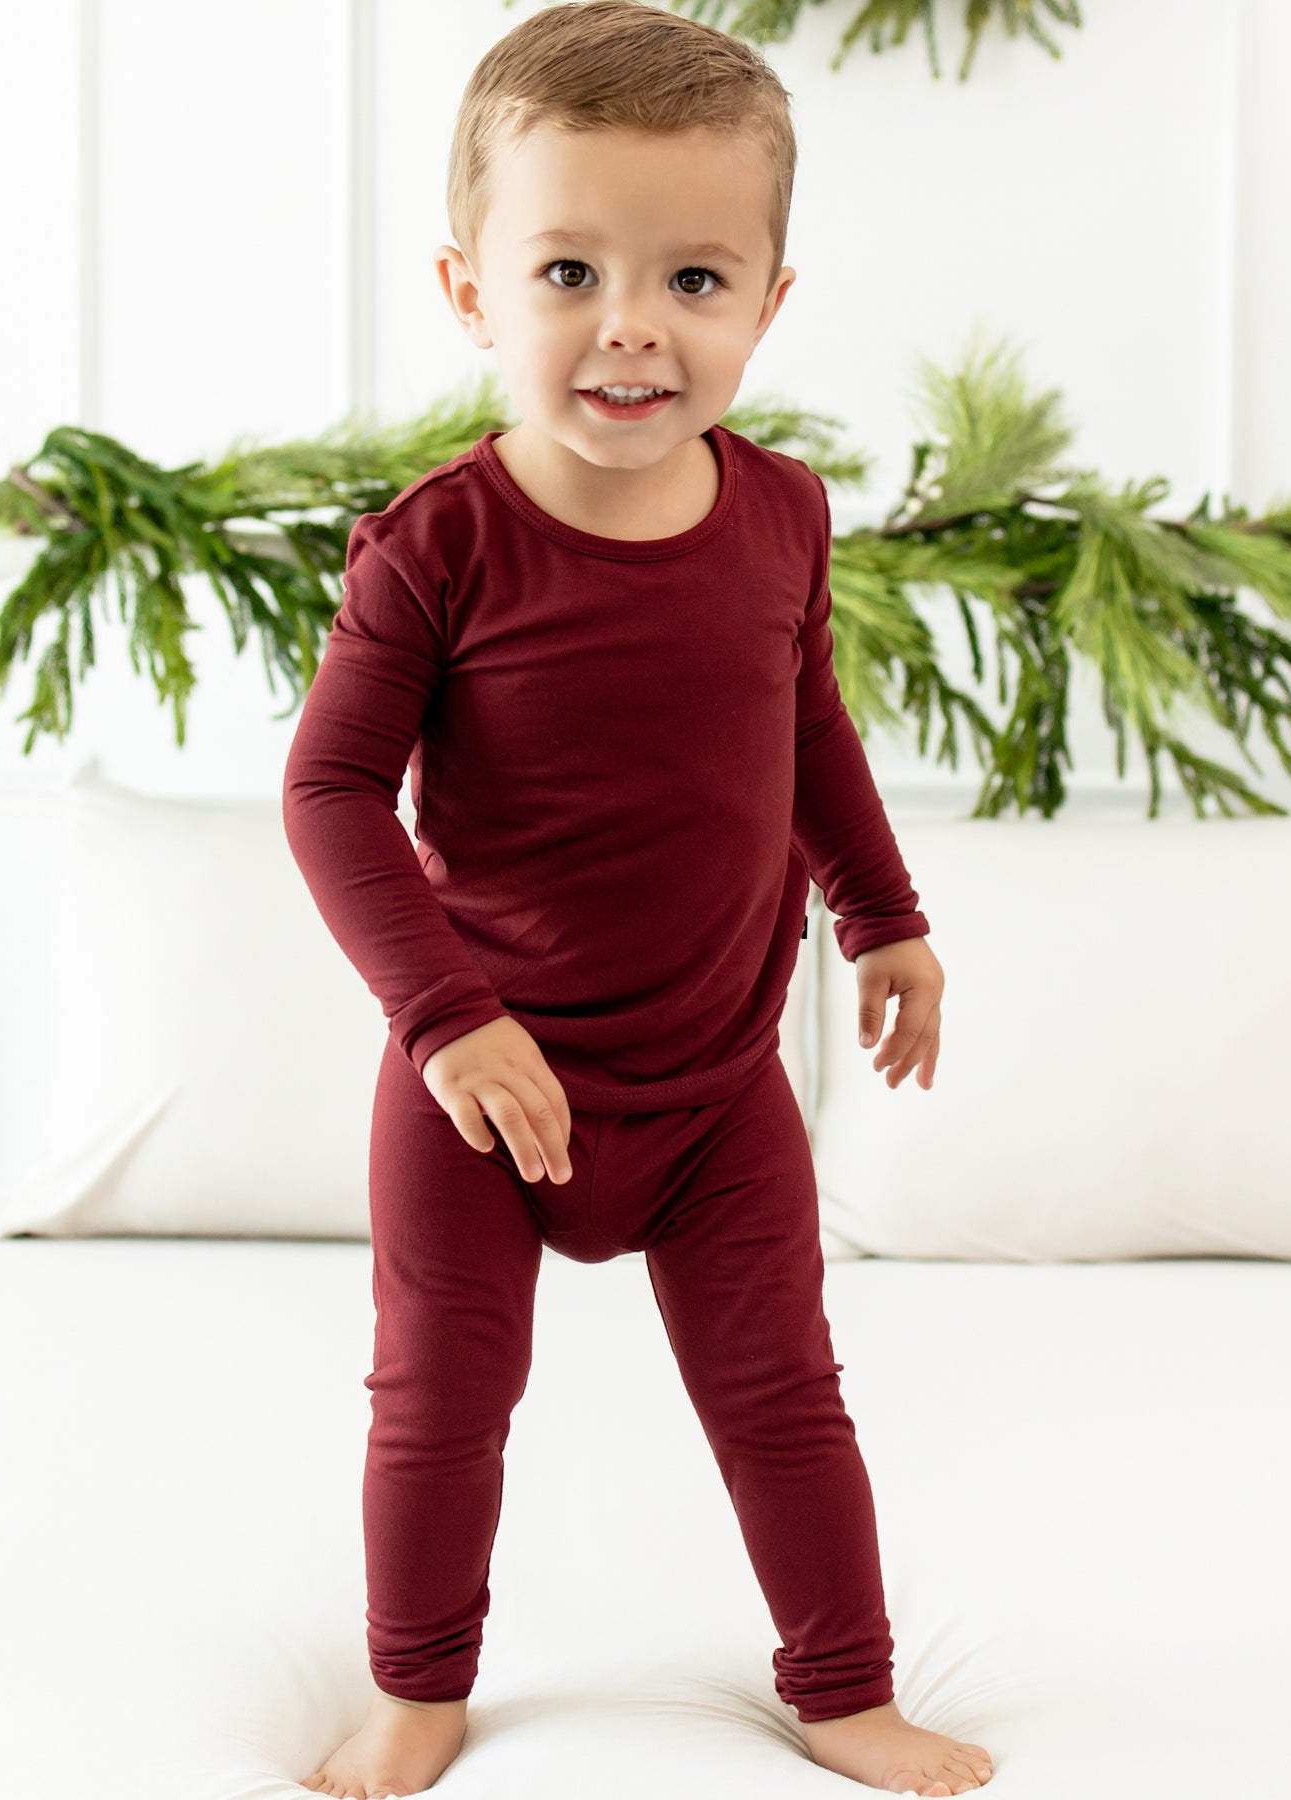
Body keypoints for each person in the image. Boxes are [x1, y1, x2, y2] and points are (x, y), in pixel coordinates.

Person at [283, 4, 982, 1794]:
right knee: (441, 1400)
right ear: (471, 292)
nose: (632, 327)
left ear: (768, 301)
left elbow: (803, 723)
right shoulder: (435, 547)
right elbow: (332, 791)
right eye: (572, 268)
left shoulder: (783, 516)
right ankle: (420, 1690)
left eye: (692, 277)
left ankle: (845, 1689)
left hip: (712, 1087)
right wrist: (448, 1016)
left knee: (784, 1394)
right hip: (485, 1089)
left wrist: (880, 912)